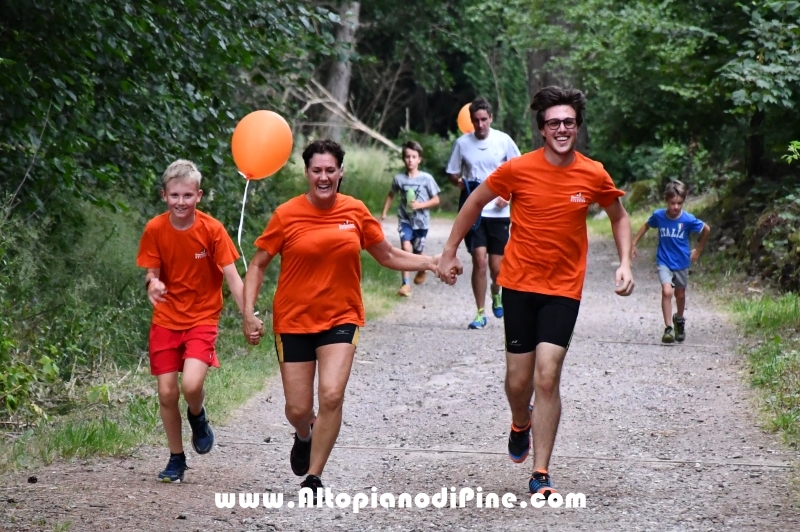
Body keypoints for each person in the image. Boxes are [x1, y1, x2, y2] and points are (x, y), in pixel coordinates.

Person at [436, 86, 635, 498]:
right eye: (553, 123)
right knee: (518, 381)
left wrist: (626, 263)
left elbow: (619, 217)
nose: (562, 129)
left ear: (577, 127)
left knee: (547, 376)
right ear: (542, 129)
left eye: (568, 122)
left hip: (563, 289)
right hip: (520, 286)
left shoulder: (593, 173)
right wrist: (449, 250)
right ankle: (519, 421)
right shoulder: (518, 170)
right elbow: (474, 202)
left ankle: (541, 473)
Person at [242, 140, 437, 497]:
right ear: (307, 173)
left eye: (330, 170)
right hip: (294, 320)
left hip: (341, 318)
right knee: (298, 409)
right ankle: (305, 434)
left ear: (341, 172)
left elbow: (388, 255)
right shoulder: (287, 214)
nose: (324, 176)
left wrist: (431, 262)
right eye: (317, 170)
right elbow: (257, 264)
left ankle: (314, 477)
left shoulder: (356, 211)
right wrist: (247, 312)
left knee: (331, 395)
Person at [136, 159, 259, 483]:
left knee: (191, 385)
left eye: (187, 195)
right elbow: (152, 272)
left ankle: (197, 415)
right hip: (166, 317)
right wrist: (153, 284)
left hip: (202, 317)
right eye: (175, 195)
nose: (181, 202)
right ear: (165, 195)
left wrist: (247, 314)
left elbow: (233, 277)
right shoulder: (155, 229)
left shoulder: (212, 230)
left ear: (199, 195)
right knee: (166, 393)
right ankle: (176, 459)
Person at [446, 97, 521, 329]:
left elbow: (519, 172)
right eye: (476, 120)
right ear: (471, 121)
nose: (480, 125)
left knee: (497, 267)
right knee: (479, 260)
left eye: (484, 120)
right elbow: (452, 172)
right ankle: (480, 312)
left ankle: (496, 293)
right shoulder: (462, 143)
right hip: (475, 211)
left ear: (491, 118)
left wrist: (506, 195)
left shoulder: (503, 141)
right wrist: (460, 183)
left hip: (499, 212)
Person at [631, 180, 710, 343]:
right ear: (666, 200)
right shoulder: (659, 216)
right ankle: (668, 328)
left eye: (679, 203)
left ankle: (679, 320)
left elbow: (706, 229)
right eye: (672, 203)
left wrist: (698, 250)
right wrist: (633, 243)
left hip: (681, 262)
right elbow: (646, 225)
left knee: (680, 294)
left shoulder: (687, 219)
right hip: (664, 261)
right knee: (667, 291)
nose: (675, 207)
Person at [380, 140, 441, 297]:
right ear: (403, 158)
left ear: (419, 159)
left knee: (417, 253)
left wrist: (421, 205)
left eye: (414, 157)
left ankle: (424, 267)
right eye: (407, 156)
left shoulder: (426, 178)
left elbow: (436, 200)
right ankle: (405, 284)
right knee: (406, 249)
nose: (410, 160)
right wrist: (384, 212)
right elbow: (391, 195)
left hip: (421, 223)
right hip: (405, 220)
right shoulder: (399, 179)